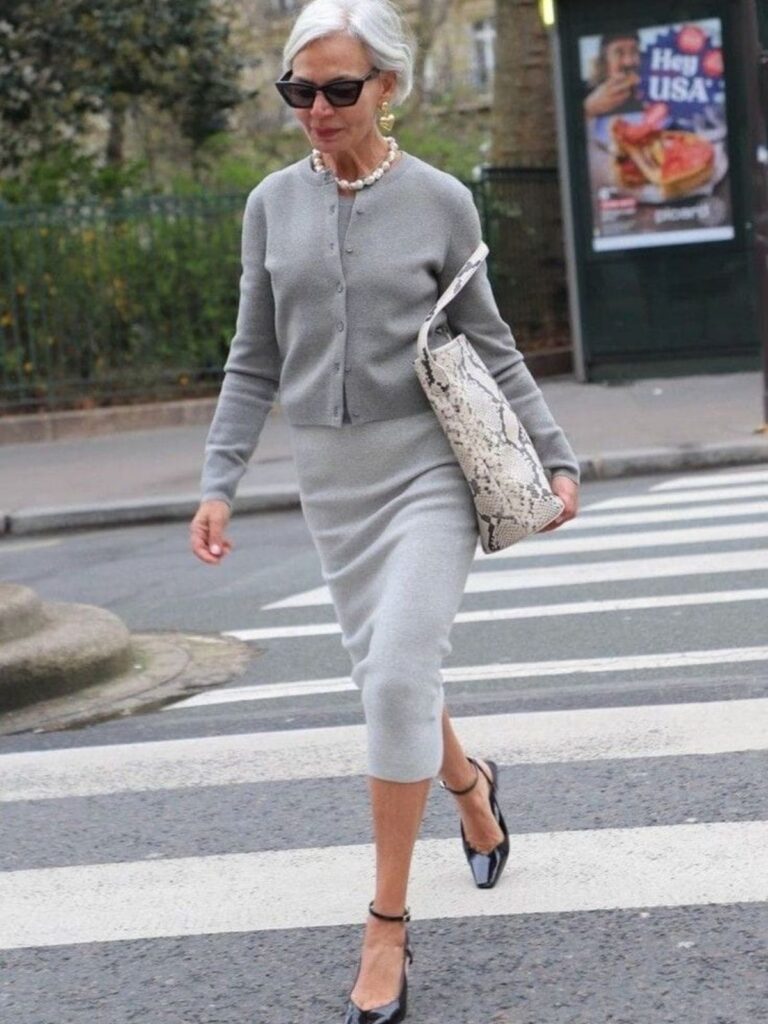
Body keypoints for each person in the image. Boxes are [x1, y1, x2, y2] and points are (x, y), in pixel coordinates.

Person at [190, 1, 580, 1020]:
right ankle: (471, 789)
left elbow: (489, 342)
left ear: (388, 87)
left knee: (399, 670)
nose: (316, 109)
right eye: (298, 91)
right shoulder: (269, 205)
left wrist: (554, 456)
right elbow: (254, 355)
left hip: (424, 471)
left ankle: (387, 926)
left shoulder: (443, 202)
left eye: (338, 89)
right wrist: (218, 477)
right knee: (389, 676)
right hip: (331, 480)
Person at [583, 31, 644, 118]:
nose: (628, 61)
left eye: (634, 51)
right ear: (605, 60)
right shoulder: (586, 92)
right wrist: (589, 109)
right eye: (619, 53)